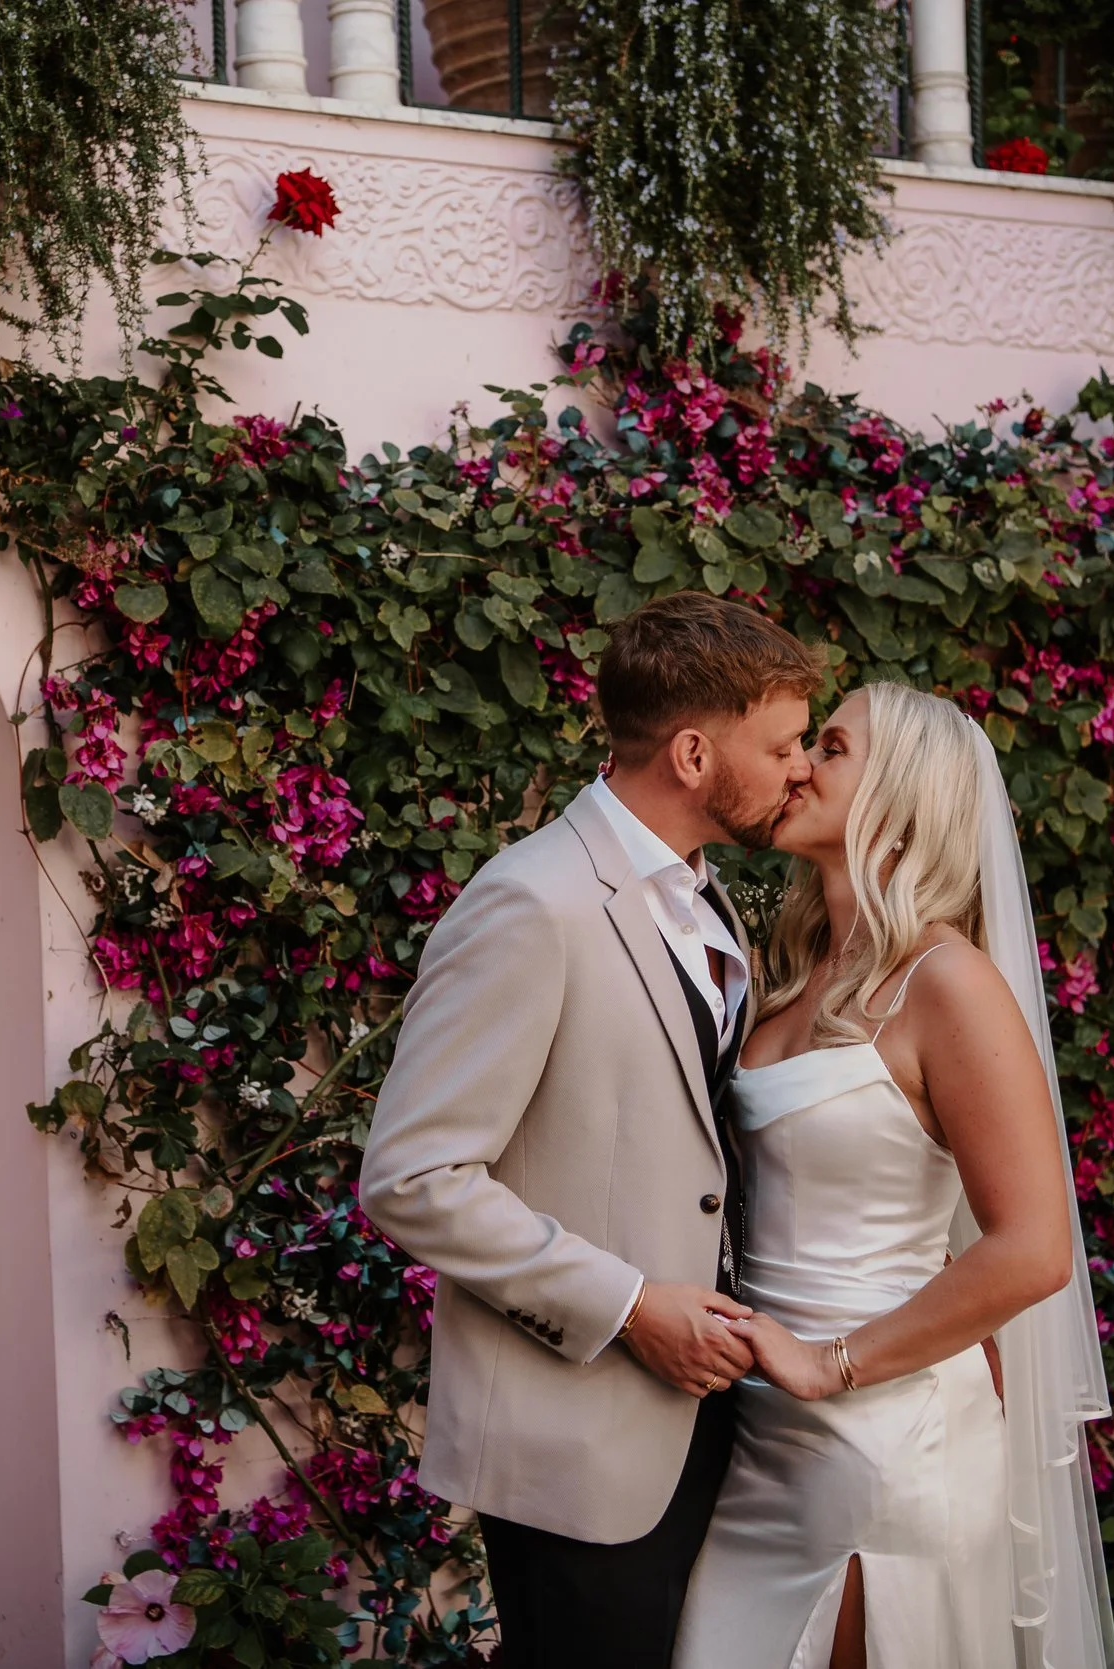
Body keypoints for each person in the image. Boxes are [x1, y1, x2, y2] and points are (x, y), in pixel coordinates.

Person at [359, 591, 822, 1669]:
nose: (801, 768)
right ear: (696, 752)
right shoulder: (531, 902)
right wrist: (626, 1306)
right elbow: (414, 1175)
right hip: (575, 1427)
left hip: (704, 1411)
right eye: (785, 743)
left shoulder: (709, 903)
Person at [672, 681, 1114, 1669]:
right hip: (761, 1441)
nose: (796, 764)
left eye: (828, 746)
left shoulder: (945, 981)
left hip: (879, 1438)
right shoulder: (789, 980)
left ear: (901, 793)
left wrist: (829, 1363)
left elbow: (1034, 1248)